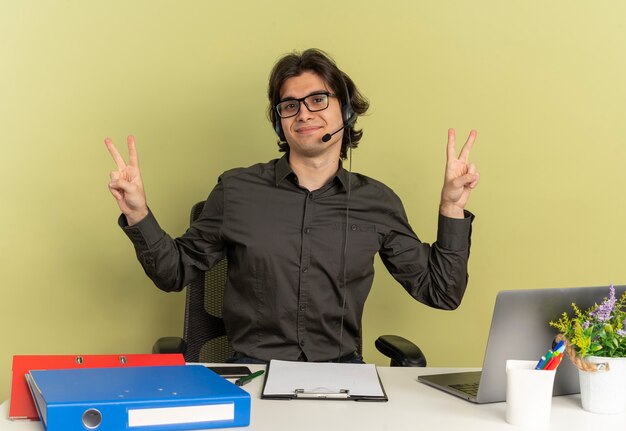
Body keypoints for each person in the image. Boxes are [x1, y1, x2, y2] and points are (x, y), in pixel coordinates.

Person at [105, 48, 479, 364]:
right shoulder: (237, 190)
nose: (303, 113)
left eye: (318, 100)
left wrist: (451, 207)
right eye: (289, 105)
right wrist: (138, 212)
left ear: (346, 112)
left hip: (340, 374)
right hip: (252, 370)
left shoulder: (376, 202)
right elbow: (174, 272)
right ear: (279, 122)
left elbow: (441, 292)